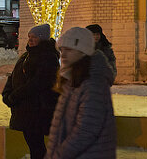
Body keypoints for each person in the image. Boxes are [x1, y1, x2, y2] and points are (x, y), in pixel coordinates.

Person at [45, 26, 115, 159]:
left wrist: (58, 155)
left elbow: (86, 131)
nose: (63, 55)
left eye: (69, 50)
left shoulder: (93, 83)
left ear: (83, 51)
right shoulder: (72, 80)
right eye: (62, 50)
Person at [2, 24, 60, 159]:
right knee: (32, 141)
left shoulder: (48, 57)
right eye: (29, 37)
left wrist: (15, 95)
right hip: (25, 107)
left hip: (37, 108)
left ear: (43, 39)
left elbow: (38, 83)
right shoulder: (27, 55)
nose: (30, 39)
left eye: (34, 37)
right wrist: (7, 93)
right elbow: (14, 75)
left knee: (36, 143)